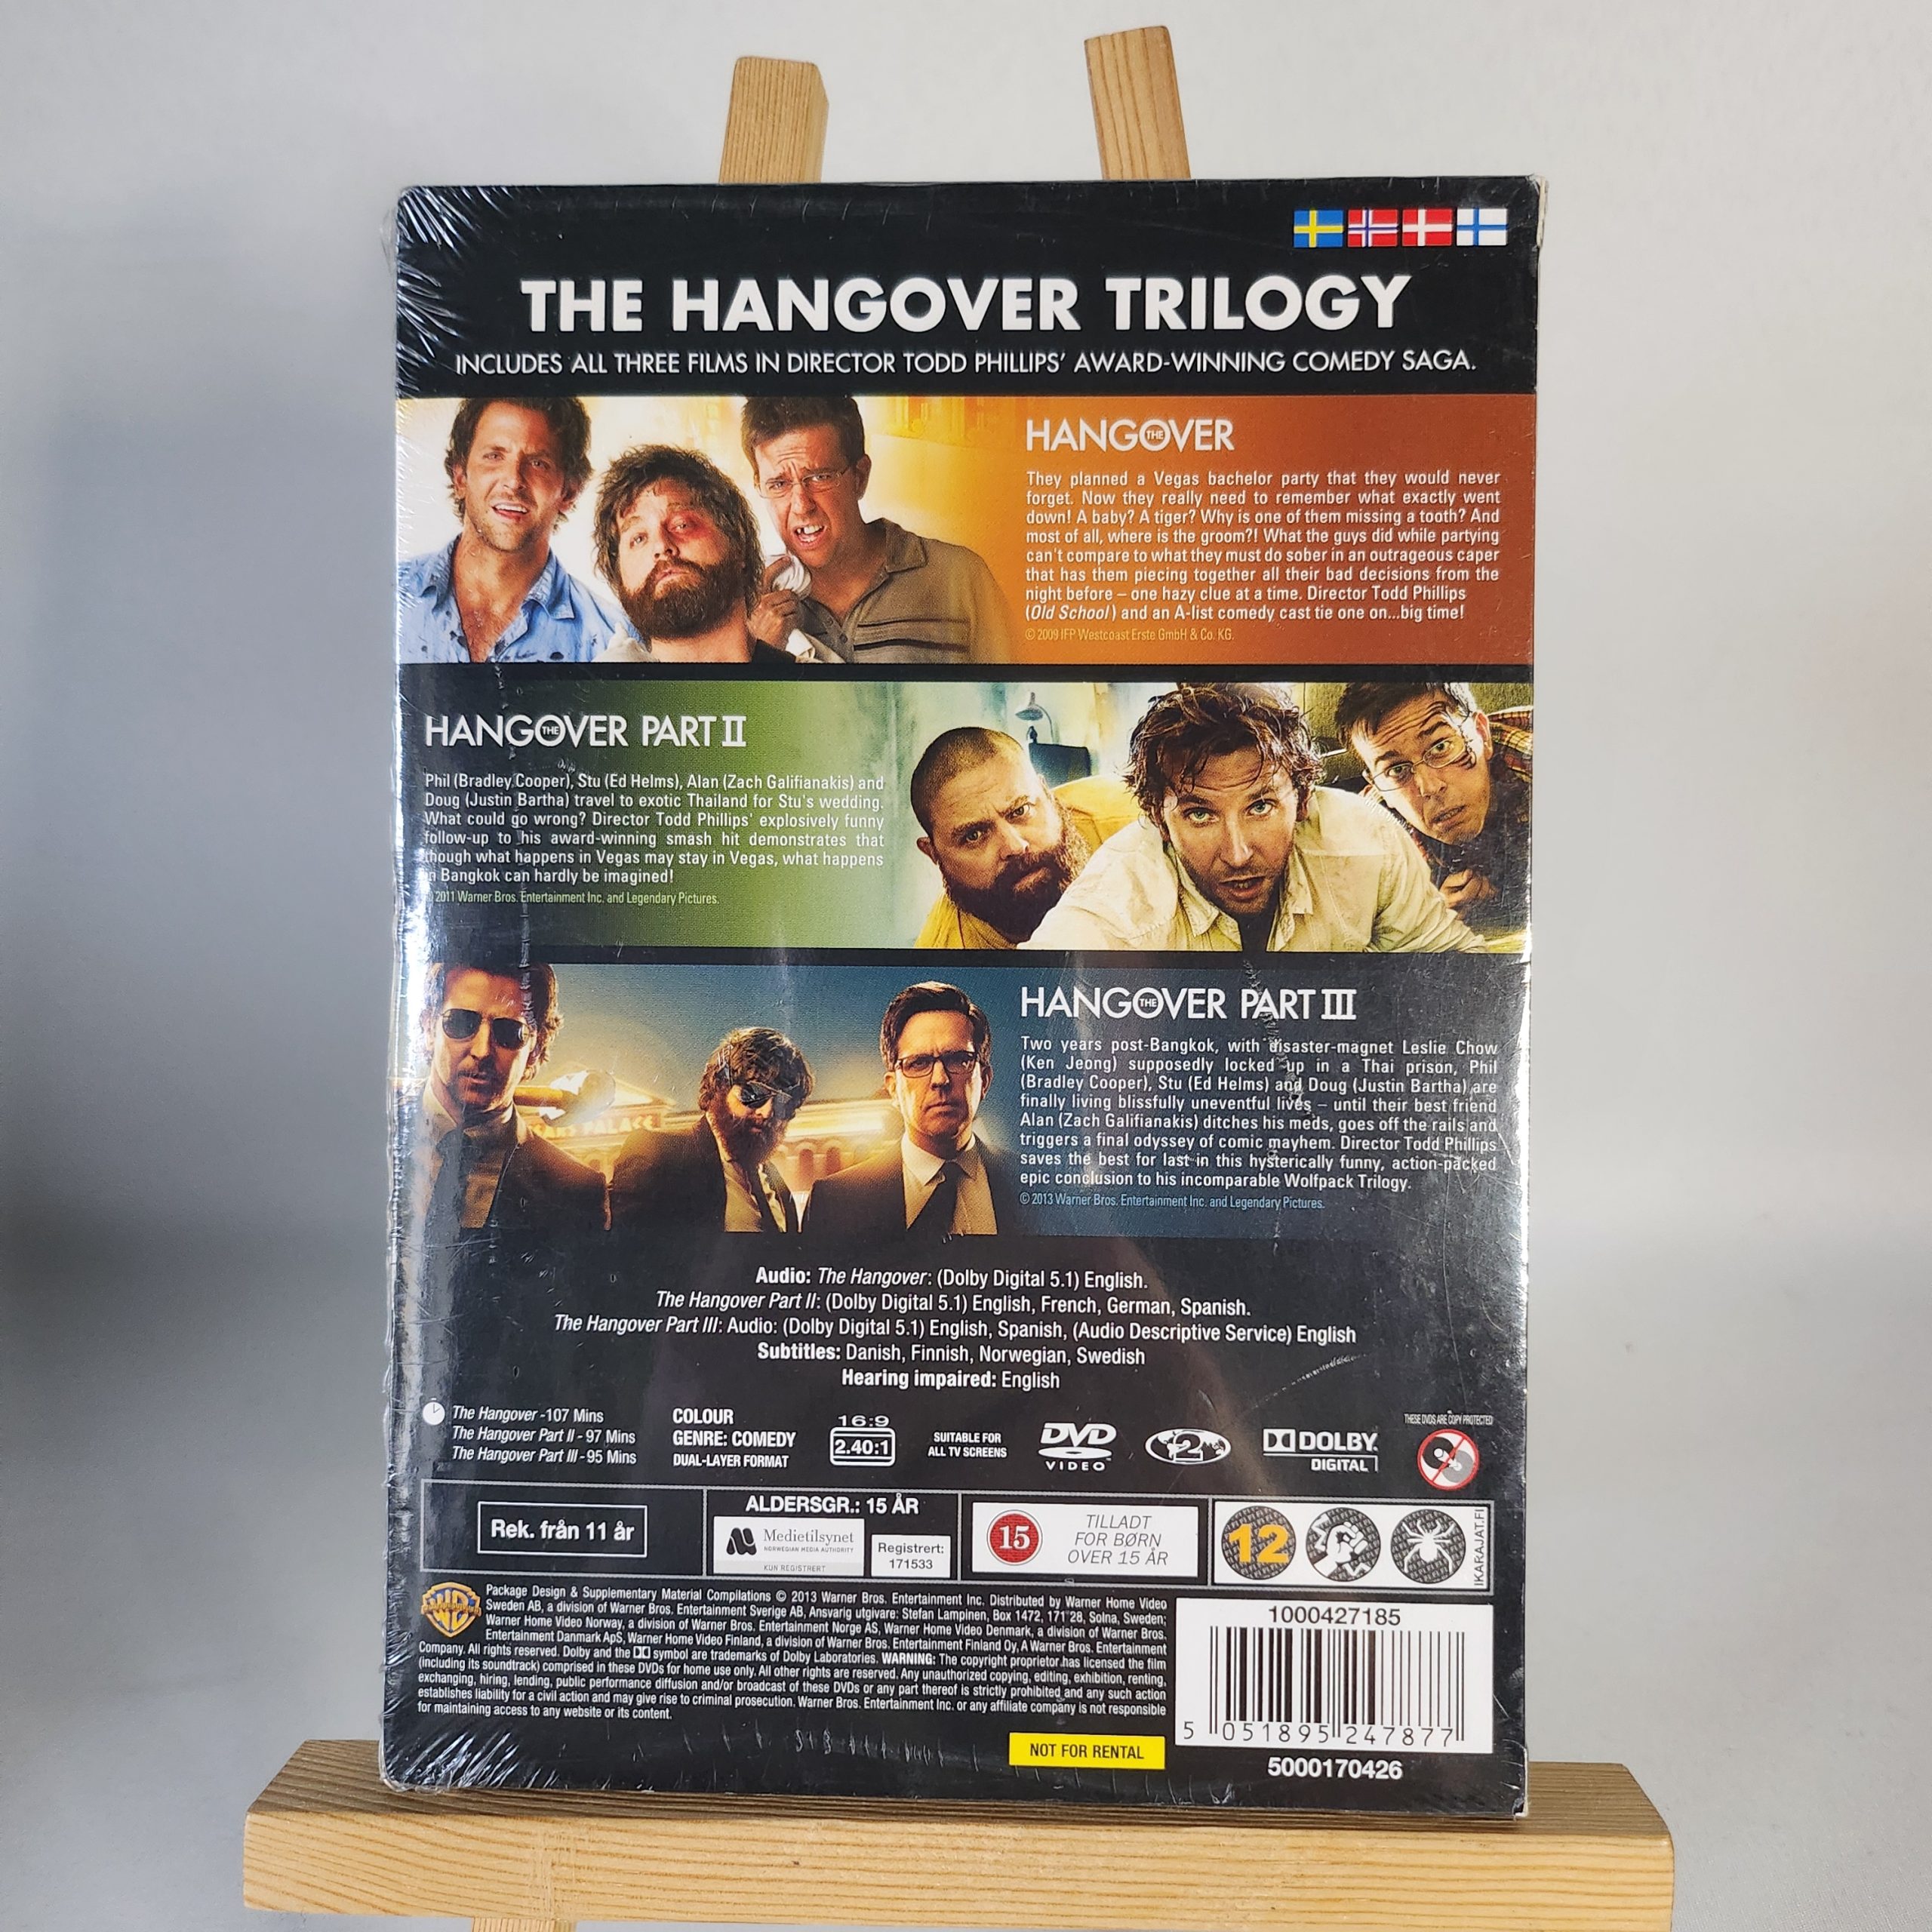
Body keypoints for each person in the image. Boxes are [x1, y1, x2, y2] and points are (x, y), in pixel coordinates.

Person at [1025, 685, 1484, 955]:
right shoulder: (1119, 904)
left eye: (1261, 806)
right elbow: (1023, 1006)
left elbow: (1455, 965)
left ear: (1302, 801)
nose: (1239, 854)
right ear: (1159, 823)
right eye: (1200, 814)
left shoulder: (1369, 842)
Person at [404, 961, 608, 1389]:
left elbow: (572, 1360)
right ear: (426, 1027)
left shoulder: (576, 1193)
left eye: (509, 1033)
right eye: (460, 1023)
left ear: (535, 1049)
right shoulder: (359, 1143)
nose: (481, 1050)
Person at [740, 395, 1017, 663]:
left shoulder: (961, 578)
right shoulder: (745, 611)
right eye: (779, 484)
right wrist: (757, 653)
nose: (802, 506)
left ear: (860, 477)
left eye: (820, 477)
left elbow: (1018, 691)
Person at [398, 397, 623, 663]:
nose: (514, 480)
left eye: (538, 463)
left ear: (569, 492)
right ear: (460, 478)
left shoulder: (612, 642)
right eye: (494, 456)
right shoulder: (383, 599)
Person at [803, 983, 1017, 1241]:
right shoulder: (835, 1203)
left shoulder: (1037, 1183)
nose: (940, 1079)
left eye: (959, 1060)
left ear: (985, 1080)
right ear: (893, 1088)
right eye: (918, 1063)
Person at [592, 445, 835, 665]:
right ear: (619, 579)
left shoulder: (818, 689)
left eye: (682, 525)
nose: (661, 546)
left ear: (738, 543)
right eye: (638, 538)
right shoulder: (600, 689)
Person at [1333, 681, 1532, 935]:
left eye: (1440, 747)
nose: (1430, 787)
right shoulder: (1368, 828)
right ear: (1377, 785)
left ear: (1482, 735)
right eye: (1397, 769)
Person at [909, 728, 1139, 947]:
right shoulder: (942, 960)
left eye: (1020, 811)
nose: (1015, 846)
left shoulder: (1139, 818)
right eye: (973, 835)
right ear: (933, 853)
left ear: (1047, 794)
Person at [609, 1028, 814, 1238]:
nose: (767, 1112)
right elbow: (629, 1251)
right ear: (720, 1086)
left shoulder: (774, 1179)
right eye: (754, 1094)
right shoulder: (659, 1153)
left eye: (783, 1103)